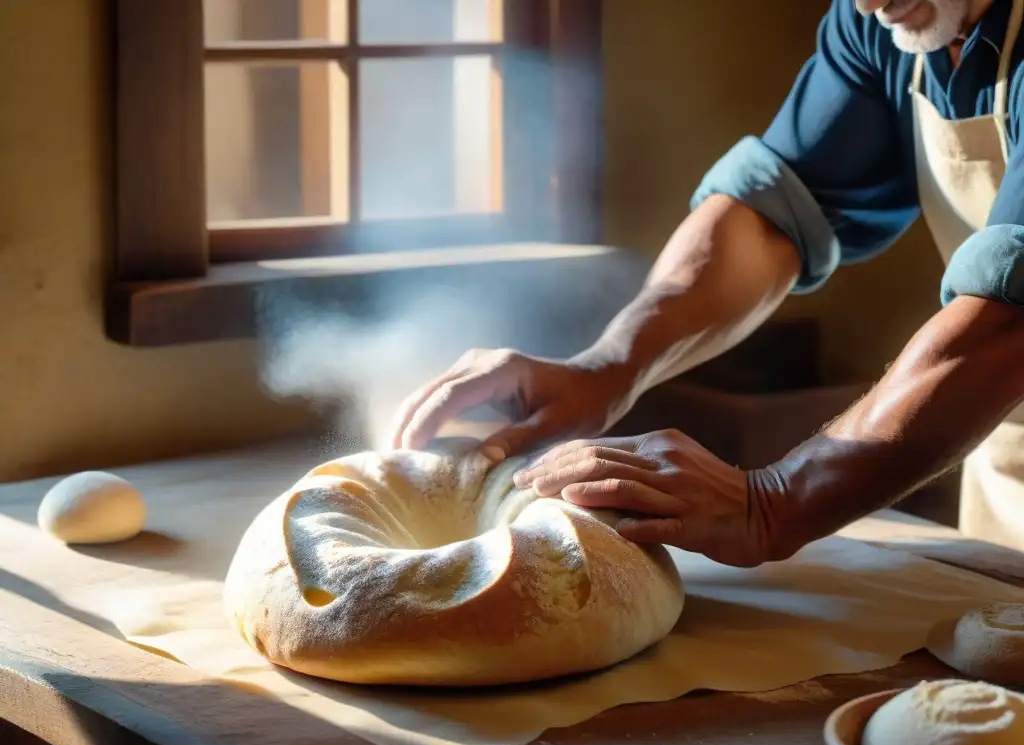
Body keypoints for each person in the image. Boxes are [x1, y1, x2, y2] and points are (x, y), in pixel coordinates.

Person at [391, 0, 1024, 567]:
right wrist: (609, 366)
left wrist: (777, 500)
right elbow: (770, 216)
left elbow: (1011, 317)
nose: (867, 1)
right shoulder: (881, 27)